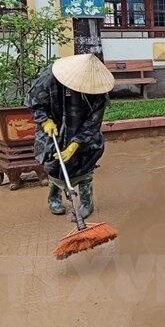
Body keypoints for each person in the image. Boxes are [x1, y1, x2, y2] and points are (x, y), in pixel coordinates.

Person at [25, 54, 114, 217]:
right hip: (55, 126)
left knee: (85, 161)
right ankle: (54, 198)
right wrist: (45, 120)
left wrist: (75, 145)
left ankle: (86, 202)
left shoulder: (99, 91)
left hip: (81, 130)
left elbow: (92, 123)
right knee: (54, 160)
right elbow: (34, 100)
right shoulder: (50, 76)